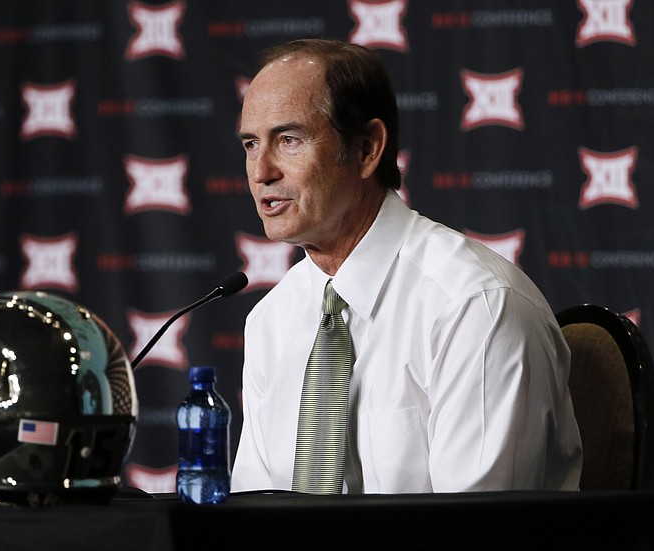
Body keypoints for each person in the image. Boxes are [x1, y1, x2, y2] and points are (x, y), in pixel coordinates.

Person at [231, 38, 582, 494]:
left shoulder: (475, 307)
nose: (260, 171)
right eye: (251, 143)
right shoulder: (270, 320)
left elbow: (484, 533)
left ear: (367, 149)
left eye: (289, 140)